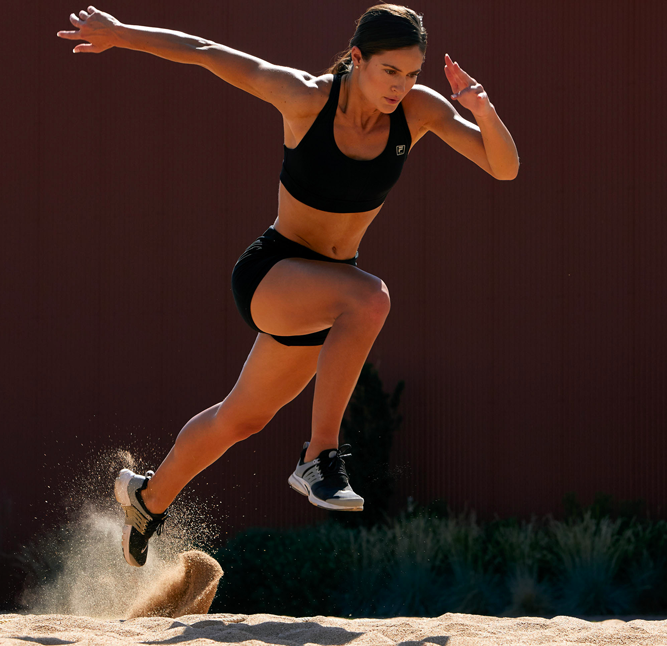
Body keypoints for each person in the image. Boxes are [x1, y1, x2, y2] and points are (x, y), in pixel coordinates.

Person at [58, 4, 519, 567]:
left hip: (325, 298)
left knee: (242, 417)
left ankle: (146, 498)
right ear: (356, 59)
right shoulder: (304, 98)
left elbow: (503, 167)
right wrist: (122, 35)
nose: (401, 86)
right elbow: (207, 53)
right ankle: (320, 455)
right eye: (389, 72)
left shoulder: (419, 112)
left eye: (413, 74)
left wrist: (482, 108)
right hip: (273, 273)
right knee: (371, 299)